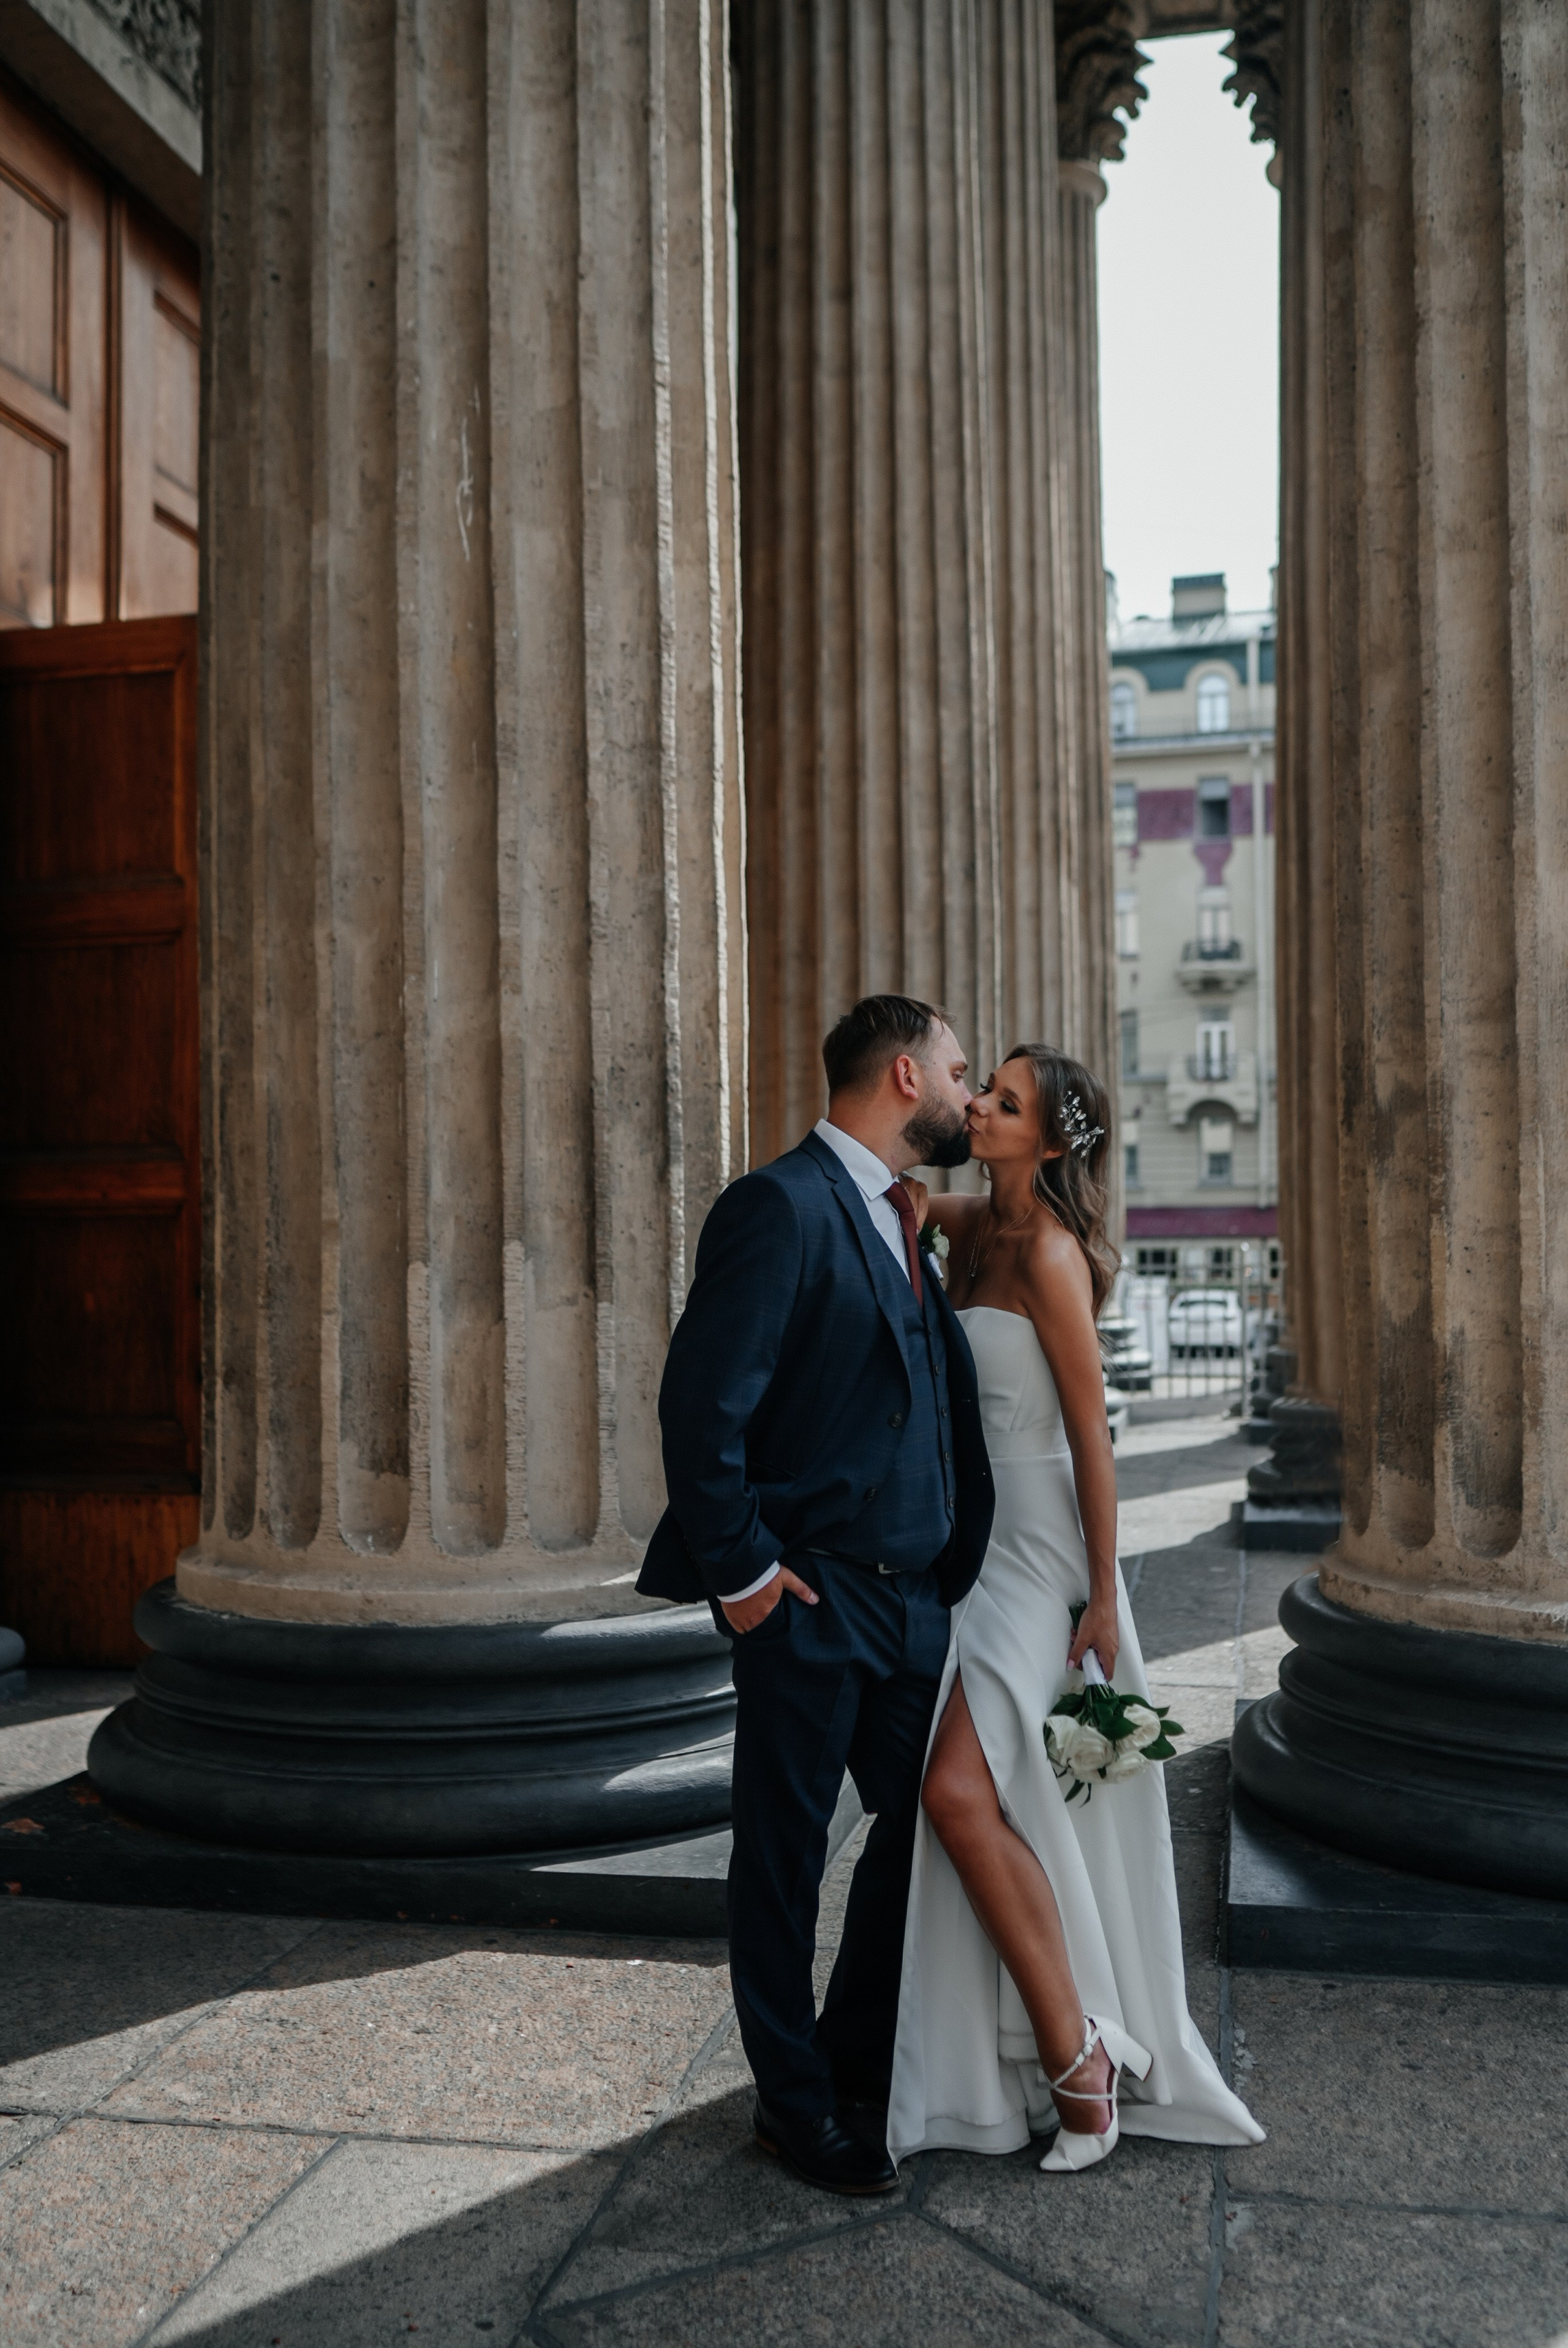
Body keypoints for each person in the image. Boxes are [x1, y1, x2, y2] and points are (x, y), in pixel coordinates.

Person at [638, 995, 995, 2195]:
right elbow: (703, 1410)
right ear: (903, 1076)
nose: (963, 1090)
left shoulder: (899, 1217)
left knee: (935, 1828)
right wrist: (742, 1579)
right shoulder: (775, 1207)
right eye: (954, 1069)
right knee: (783, 1861)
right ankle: (793, 2109)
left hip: (911, 1604)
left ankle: (846, 2054)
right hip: (806, 1600)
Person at [887, 1044, 1262, 2172]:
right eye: (984, 1090)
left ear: (1049, 1142)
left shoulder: (1048, 1252)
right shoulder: (971, 1218)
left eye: (1004, 1103)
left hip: (1043, 1545)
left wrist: (1103, 1592)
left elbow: (1091, 1435)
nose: (981, 1108)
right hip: (972, 1537)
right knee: (998, 1798)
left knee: (957, 1789)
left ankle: (1078, 2055)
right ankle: (1055, 2044)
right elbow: (900, 1190)